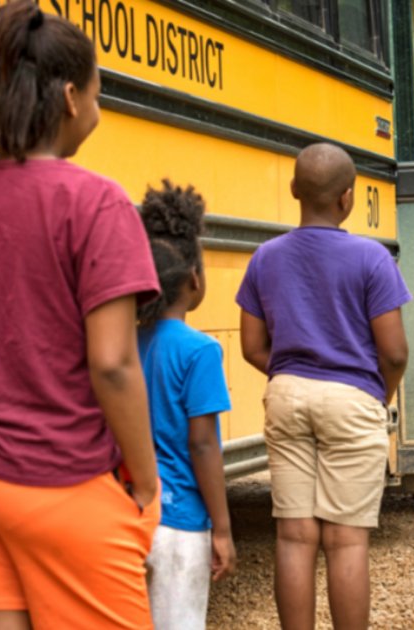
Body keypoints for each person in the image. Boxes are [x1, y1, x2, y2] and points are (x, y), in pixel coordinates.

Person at [0, 1, 162, 628]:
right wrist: (149, 484)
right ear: (73, 97)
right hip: (62, 479)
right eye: (102, 94)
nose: (100, 109)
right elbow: (114, 363)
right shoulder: (97, 204)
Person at [237, 143, 410, 630]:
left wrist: (294, 372)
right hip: (353, 396)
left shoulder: (265, 258)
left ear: (294, 190)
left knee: (294, 536)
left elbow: (253, 346)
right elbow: (394, 352)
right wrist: (381, 395)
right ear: (348, 199)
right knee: (346, 540)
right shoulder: (372, 259)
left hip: (287, 393)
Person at [137, 180, 236, 629]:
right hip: (181, 524)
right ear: (194, 278)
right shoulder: (201, 351)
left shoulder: (120, 345)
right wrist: (223, 527)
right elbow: (203, 446)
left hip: (129, 515)